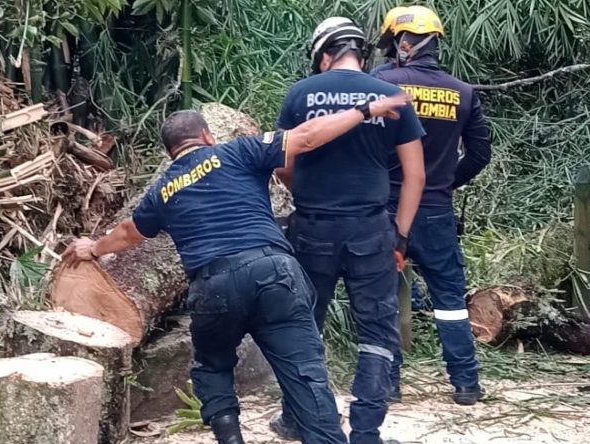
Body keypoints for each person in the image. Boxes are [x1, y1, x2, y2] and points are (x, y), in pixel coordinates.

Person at [62, 95, 414, 444]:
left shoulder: (162, 191)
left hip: (213, 285)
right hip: (274, 272)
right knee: (305, 373)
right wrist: (365, 110)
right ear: (207, 136)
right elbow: (307, 135)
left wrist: (92, 247)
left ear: (170, 152)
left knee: (213, 368)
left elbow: (127, 233)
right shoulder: (238, 151)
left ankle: (231, 439)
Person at [270, 16, 426, 444]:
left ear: (324, 55)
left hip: (311, 229)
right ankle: (365, 434)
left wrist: (304, 190)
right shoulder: (391, 96)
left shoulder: (301, 93)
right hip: (371, 232)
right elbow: (415, 176)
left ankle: (297, 420)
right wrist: (401, 235)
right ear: (362, 53)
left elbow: (284, 163)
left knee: (302, 326)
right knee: (377, 332)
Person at [373, 5, 492, 406]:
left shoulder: (381, 83)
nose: (391, 52)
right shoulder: (463, 92)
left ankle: (388, 384)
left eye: (392, 45)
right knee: (450, 300)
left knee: (382, 297)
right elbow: (479, 153)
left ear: (404, 44)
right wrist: (447, 183)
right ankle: (466, 384)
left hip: (386, 208)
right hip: (437, 209)